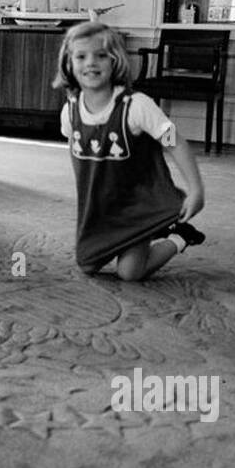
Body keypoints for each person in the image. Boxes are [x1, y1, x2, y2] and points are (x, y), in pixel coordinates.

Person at [54, 21, 206, 281]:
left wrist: (196, 190)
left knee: (129, 273)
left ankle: (179, 237)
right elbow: (79, 156)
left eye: (101, 56)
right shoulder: (70, 112)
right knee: (87, 265)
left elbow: (175, 141)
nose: (91, 63)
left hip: (138, 207)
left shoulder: (137, 106)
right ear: (69, 63)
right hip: (101, 208)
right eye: (81, 56)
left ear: (115, 61)